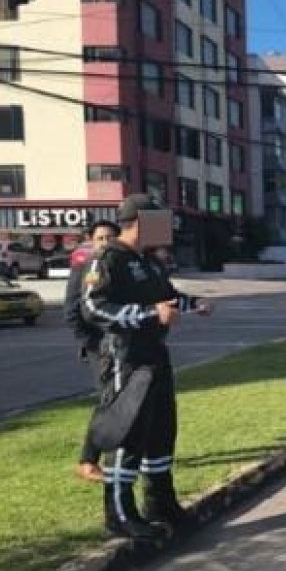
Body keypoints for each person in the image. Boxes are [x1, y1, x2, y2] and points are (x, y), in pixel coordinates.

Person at [82, 196, 211, 539]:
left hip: (155, 354)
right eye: (158, 220)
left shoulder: (149, 261)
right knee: (129, 435)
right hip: (127, 358)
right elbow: (94, 308)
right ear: (139, 221)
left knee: (161, 432)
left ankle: (160, 503)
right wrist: (150, 314)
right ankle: (120, 514)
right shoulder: (109, 258)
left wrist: (192, 303)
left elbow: (165, 295)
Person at [65, 219, 121, 482]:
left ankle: (126, 451)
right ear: (91, 240)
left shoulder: (119, 268)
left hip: (121, 344)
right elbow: (72, 312)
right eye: (100, 238)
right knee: (107, 401)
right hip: (99, 347)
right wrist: (92, 343)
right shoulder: (83, 269)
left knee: (126, 399)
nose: (105, 243)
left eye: (110, 237)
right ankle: (88, 460)